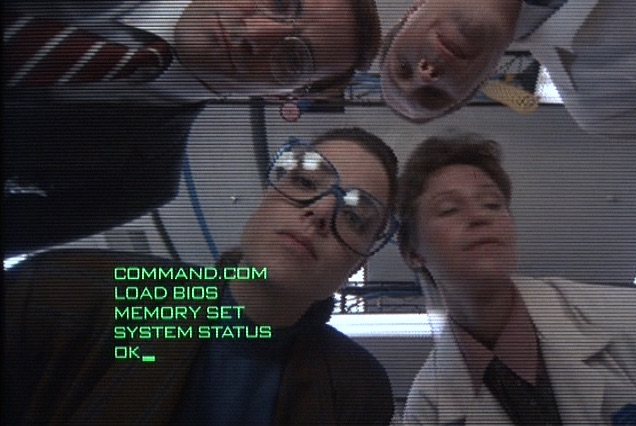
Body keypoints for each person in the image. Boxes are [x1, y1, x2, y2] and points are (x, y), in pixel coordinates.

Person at [3, 127, 398, 425]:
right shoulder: (63, 295)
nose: (321, 211)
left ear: (354, 268)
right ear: (266, 197)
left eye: (354, 217)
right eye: (306, 182)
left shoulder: (358, 394)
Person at [3, 0, 381, 254]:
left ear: (283, 95)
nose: (257, 34)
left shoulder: (143, 182)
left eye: (294, 58)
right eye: (281, 2)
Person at [395, 133, 636, 425]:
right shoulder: (428, 408)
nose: (480, 216)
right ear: (412, 253)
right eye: (449, 210)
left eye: (493, 204)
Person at [380, 0, 636, 142]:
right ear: (481, 82)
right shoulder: (606, 104)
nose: (425, 75)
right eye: (433, 96)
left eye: (403, 68)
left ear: (412, 11)